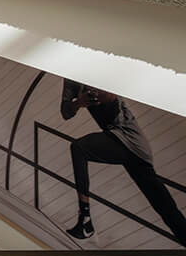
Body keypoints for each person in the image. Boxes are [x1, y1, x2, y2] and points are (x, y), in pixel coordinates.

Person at [61, 80, 186, 246]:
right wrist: (79, 103)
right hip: (119, 140)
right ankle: (85, 221)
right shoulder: (70, 81)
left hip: (130, 140)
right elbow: (65, 112)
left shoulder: (98, 72)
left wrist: (95, 93)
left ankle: (85, 220)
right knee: (163, 205)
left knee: (164, 206)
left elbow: (111, 98)